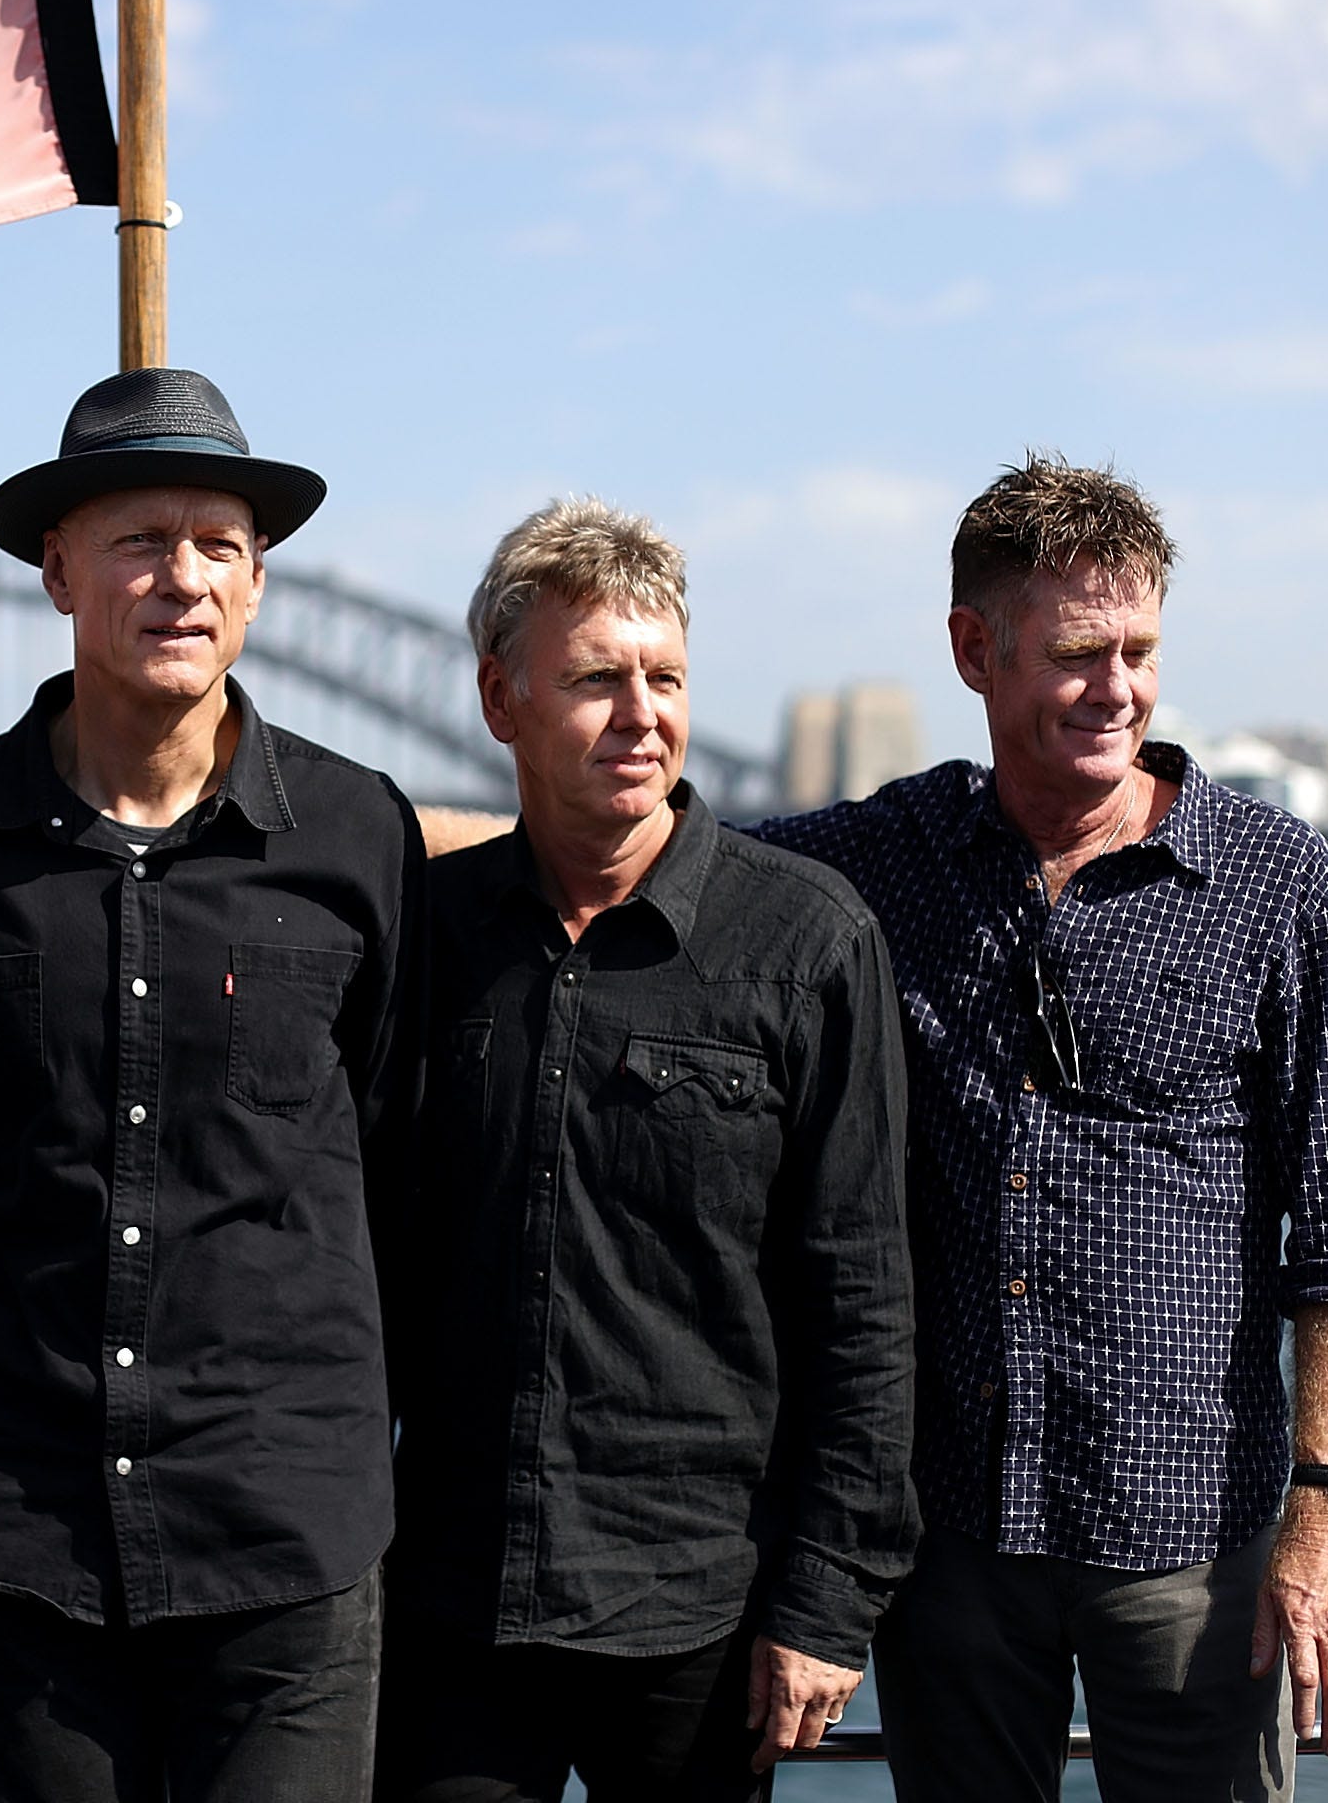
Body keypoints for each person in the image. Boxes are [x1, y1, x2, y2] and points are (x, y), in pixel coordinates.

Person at [753, 455, 1328, 1802]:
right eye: (1077, 653)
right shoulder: (878, 864)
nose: (1118, 687)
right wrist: (384, 850)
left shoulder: (1284, 889)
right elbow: (652, 855)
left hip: (1194, 1551)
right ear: (974, 651)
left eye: (1141, 649)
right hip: (952, 1552)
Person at [0, 368, 425, 1802]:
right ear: (57, 570)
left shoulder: (359, 832)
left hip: (286, 1538)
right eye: (139, 542)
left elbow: (403, 1165)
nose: (182, 579)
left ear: (257, 583)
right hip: (25, 1542)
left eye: (219, 545)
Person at [382, 499, 917, 1803]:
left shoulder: (805, 944)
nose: (641, 715)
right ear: (502, 702)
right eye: (594, 680)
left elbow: (866, 1299)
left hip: (700, 1615)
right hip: (450, 1606)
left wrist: (825, 1601)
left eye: (664, 677)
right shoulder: (427, 934)